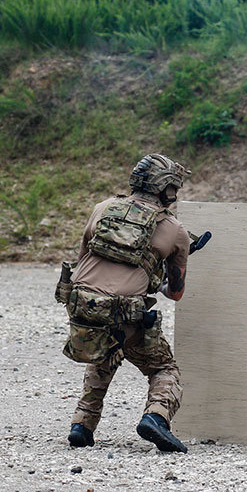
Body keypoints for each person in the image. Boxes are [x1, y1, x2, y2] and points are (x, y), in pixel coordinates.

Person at [58, 154, 192, 453]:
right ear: (166, 189)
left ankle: (82, 425)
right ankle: (155, 418)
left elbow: (82, 262)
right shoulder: (175, 230)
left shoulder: (102, 208)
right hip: (125, 315)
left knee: (105, 353)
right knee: (164, 368)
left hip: (84, 309)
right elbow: (176, 293)